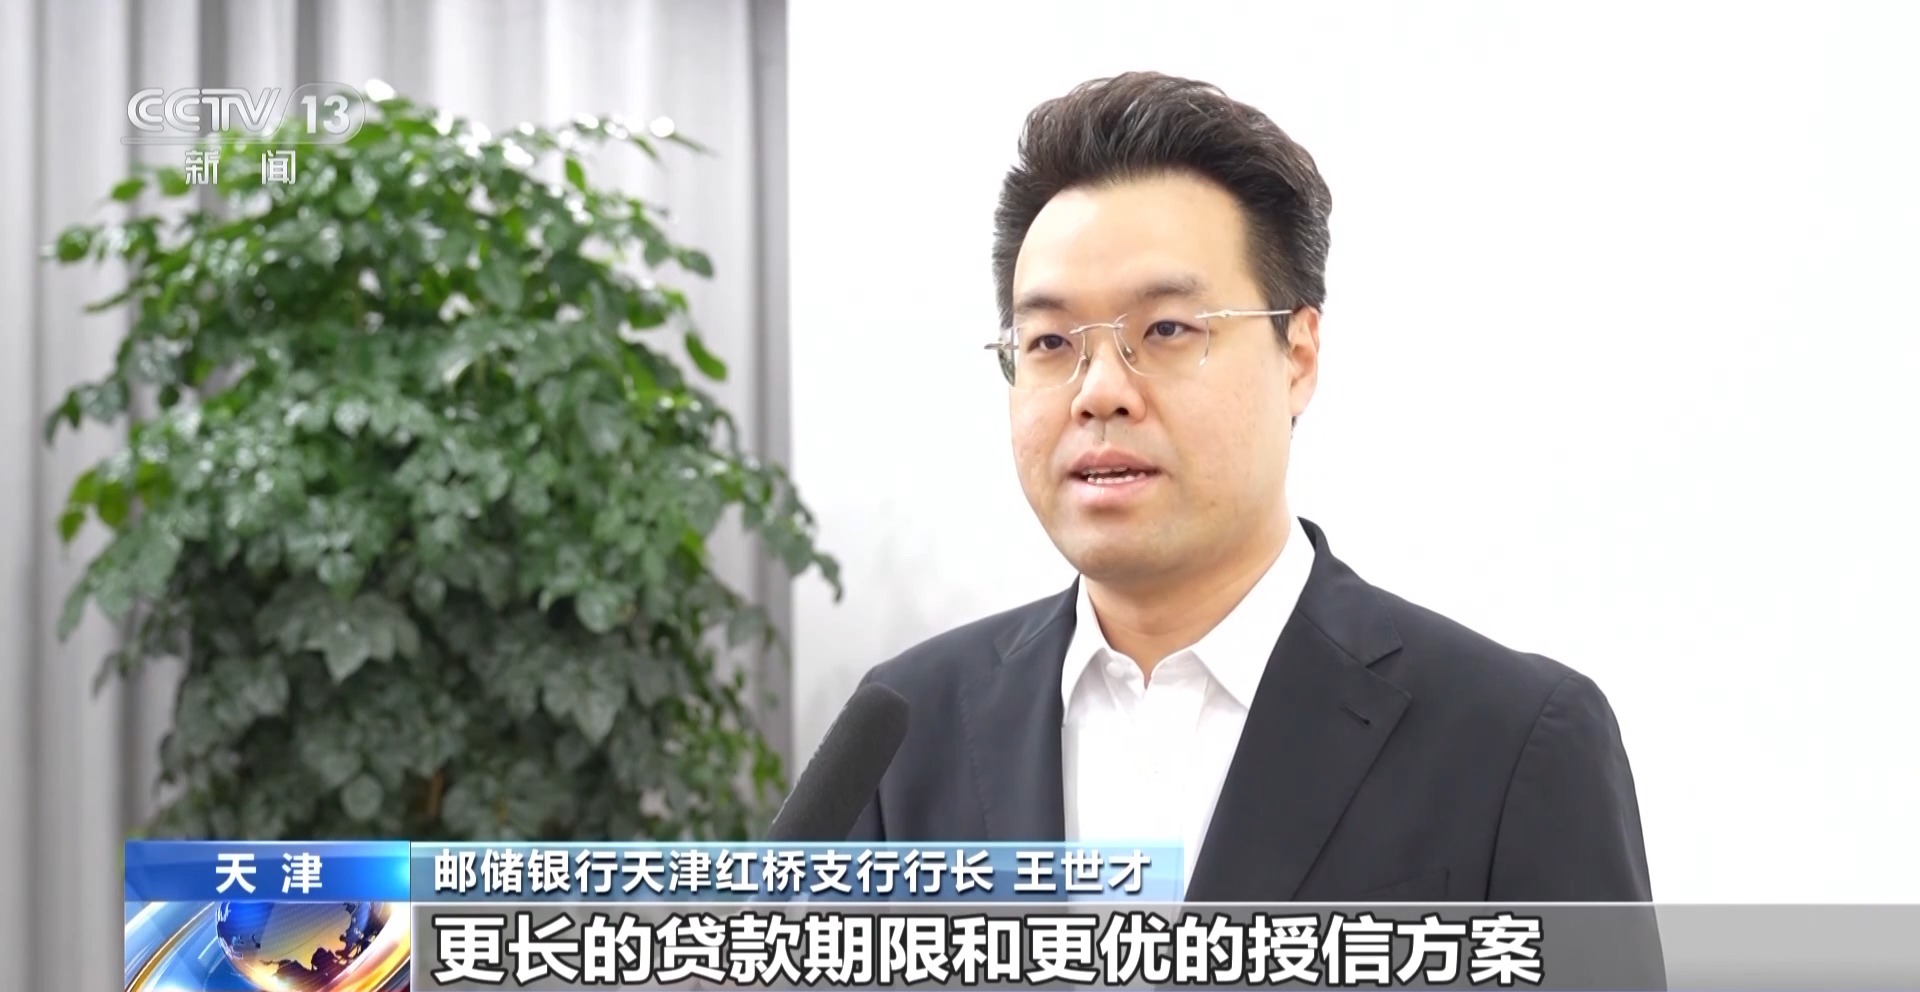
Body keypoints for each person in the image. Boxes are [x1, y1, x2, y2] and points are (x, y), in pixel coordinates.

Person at [848, 71, 1655, 905]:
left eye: (1166, 329)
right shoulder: (902, 733)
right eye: (1051, 342)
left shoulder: (1513, 743)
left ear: (1297, 356)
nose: (1099, 392)